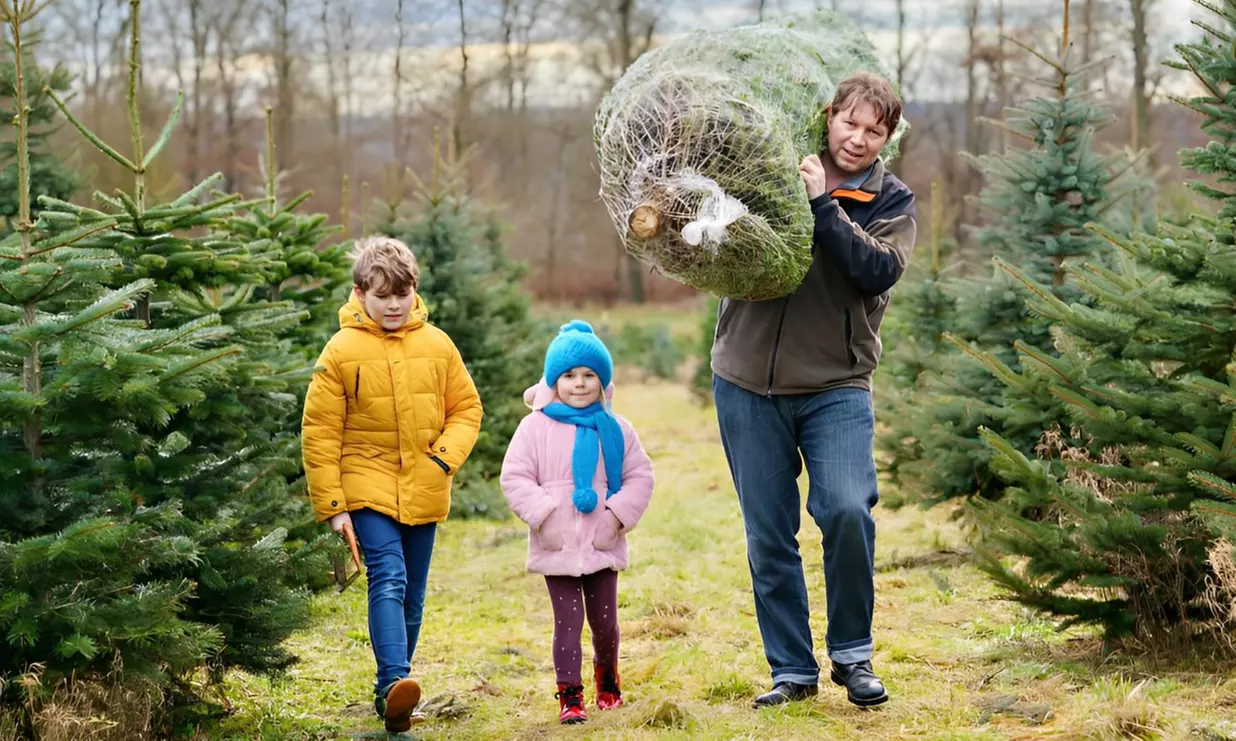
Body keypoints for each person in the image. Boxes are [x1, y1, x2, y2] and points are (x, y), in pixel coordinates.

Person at [710, 71, 916, 709]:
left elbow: (875, 269)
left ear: (888, 137)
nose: (858, 139)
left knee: (849, 510)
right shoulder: (775, 171)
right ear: (829, 118)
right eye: (849, 124)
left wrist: (824, 204)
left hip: (836, 384)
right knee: (768, 533)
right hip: (746, 381)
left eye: (874, 131)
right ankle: (791, 672)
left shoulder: (890, 198)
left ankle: (853, 657)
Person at [301, 236, 483, 732]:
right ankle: (392, 683)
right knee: (389, 576)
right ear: (360, 294)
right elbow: (320, 432)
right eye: (383, 296)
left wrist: (441, 462)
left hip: (424, 482)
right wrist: (335, 505)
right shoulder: (340, 351)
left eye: (402, 294)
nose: (395, 305)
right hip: (366, 483)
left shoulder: (438, 344)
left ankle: (395, 703)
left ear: (414, 291)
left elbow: (467, 409)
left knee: (414, 593)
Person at [500, 320, 654, 725]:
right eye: (569, 375)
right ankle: (570, 695)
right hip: (558, 544)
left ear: (603, 382)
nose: (580, 384)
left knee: (605, 622)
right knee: (567, 624)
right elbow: (515, 477)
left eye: (589, 375)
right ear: (554, 380)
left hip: (602, 543)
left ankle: (608, 683)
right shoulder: (534, 427)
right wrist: (545, 518)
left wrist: (615, 518)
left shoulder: (617, 429)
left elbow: (640, 477)